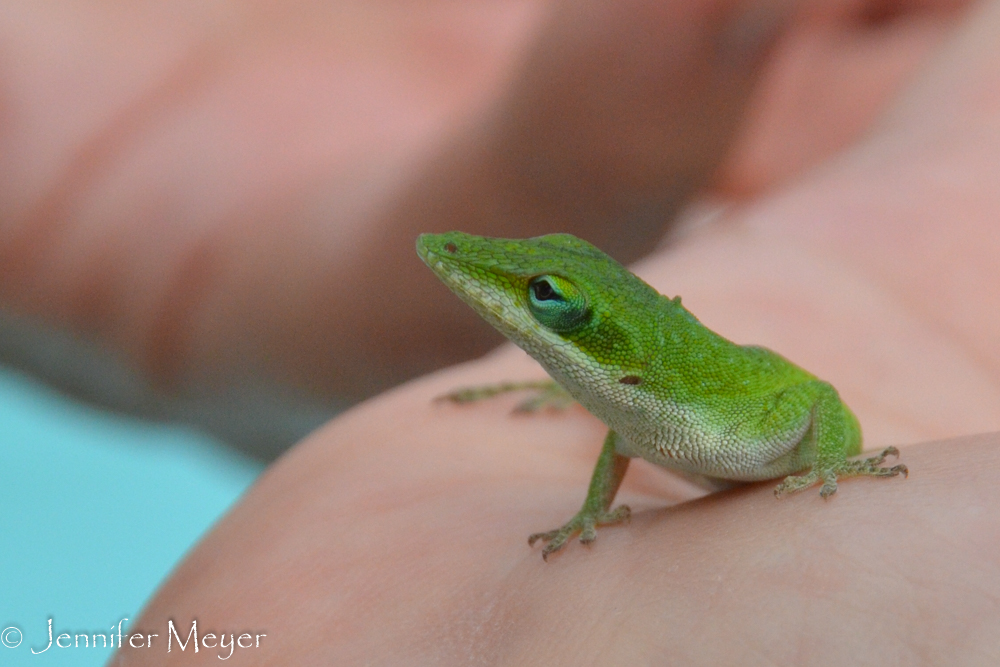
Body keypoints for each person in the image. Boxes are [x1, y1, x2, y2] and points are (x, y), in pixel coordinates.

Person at [4, 0, 997, 663]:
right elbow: (622, 425)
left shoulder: (714, 414)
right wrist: (589, 512)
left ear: (616, 343)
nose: (511, 299)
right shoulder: (633, 403)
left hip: (726, 389)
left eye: (548, 300)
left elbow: (812, 398)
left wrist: (834, 464)